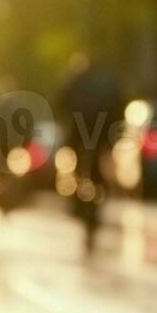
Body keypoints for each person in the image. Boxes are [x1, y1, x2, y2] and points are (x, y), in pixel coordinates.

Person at [54, 53, 124, 247]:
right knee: (97, 167)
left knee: (76, 163)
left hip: (81, 128)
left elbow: (61, 102)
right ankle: (98, 193)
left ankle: (80, 201)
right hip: (102, 129)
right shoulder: (106, 81)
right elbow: (119, 104)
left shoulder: (75, 79)